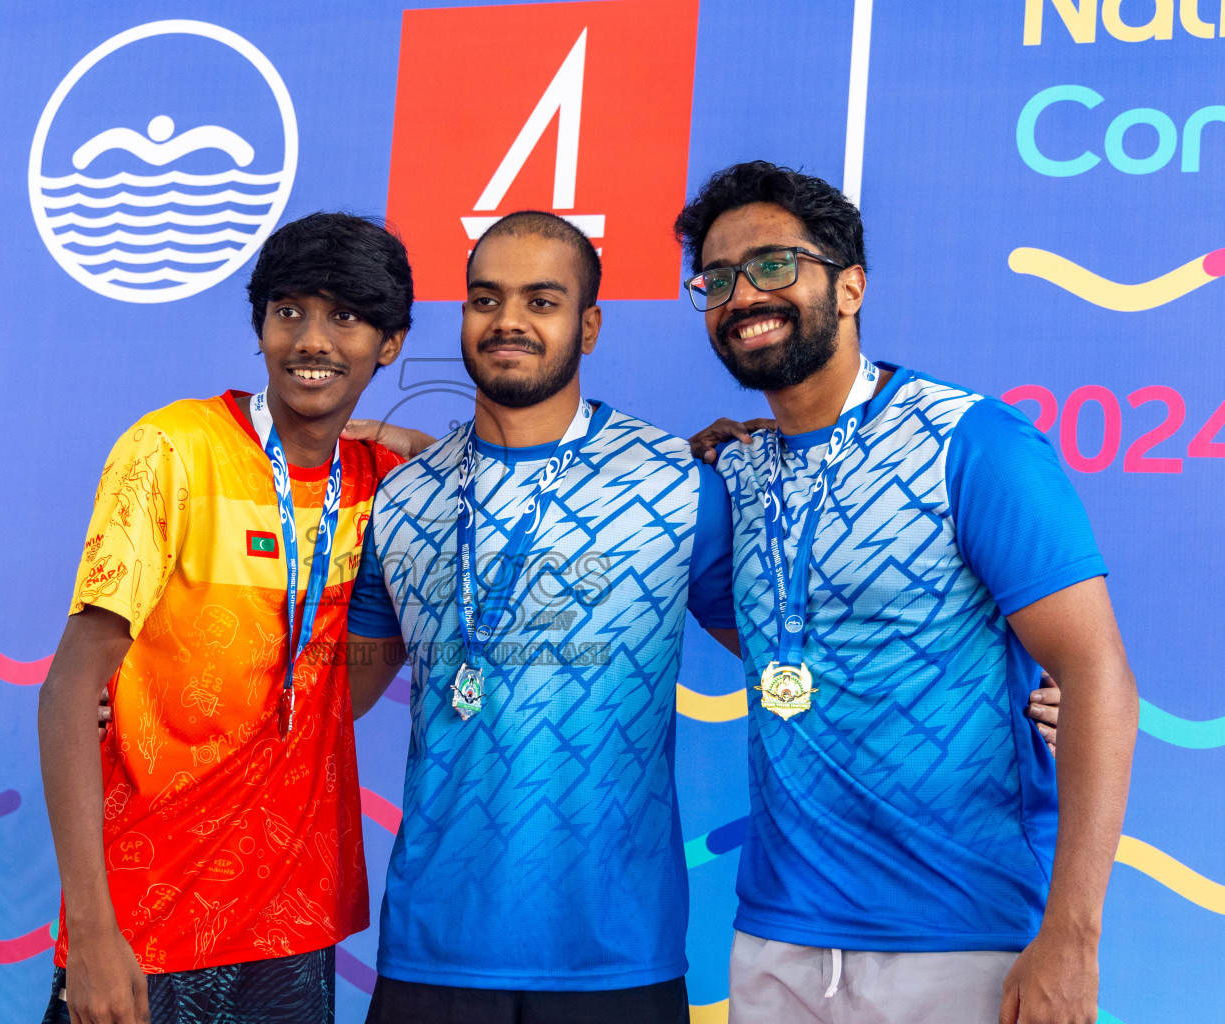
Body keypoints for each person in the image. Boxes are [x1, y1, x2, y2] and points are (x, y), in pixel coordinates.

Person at [675, 161, 1137, 1024]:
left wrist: (1072, 938)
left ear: (849, 286)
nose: (743, 295)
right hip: (775, 942)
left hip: (964, 937)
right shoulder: (727, 473)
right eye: (719, 279)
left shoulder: (971, 442)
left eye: (775, 265)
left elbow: (1096, 673)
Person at [345, 210, 741, 1024]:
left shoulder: (677, 483)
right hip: (433, 951)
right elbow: (334, 694)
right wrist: (145, 693)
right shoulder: (402, 496)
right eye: (485, 300)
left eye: (542, 301)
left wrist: (1018, 690)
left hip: (616, 957)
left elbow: (801, 659)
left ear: (588, 326)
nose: (509, 322)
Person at [37, 212, 413, 1024]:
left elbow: (467, 459)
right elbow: (71, 686)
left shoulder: (387, 484)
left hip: (292, 923)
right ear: (260, 327)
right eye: (289, 312)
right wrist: (93, 933)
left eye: (344, 317)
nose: (312, 339)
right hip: (145, 919)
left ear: (390, 342)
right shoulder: (173, 449)